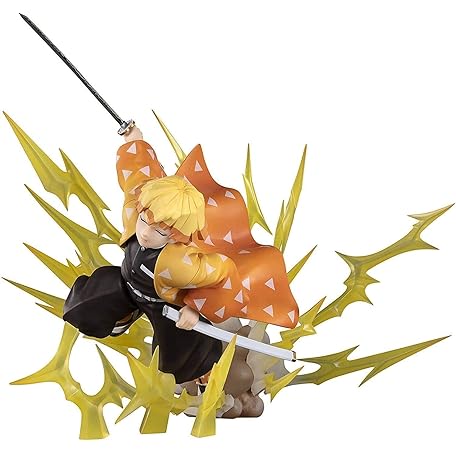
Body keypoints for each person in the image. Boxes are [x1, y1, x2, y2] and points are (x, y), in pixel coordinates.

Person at [63, 125, 299, 415]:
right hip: (127, 285)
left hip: (165, 306)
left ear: (177, 235)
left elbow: (224, 274)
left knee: (179, 360)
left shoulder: (183, 263)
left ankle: (209, 378)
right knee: (84, 304)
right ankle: (123, 316)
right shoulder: (139, 207)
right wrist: (134, 142)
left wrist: (195, 308)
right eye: (146, 221)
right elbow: (139, 173)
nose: (146, 233)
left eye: (160, 231)